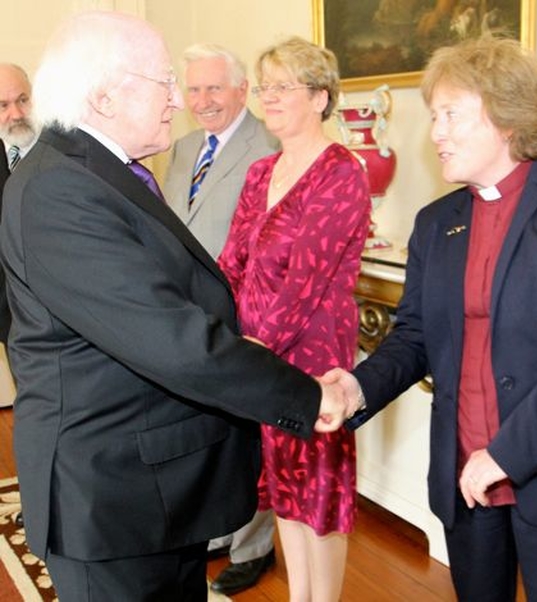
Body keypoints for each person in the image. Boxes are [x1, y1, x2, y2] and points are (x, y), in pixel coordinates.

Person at [0, 12, 349, 602]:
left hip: (153, 487)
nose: (176, 100)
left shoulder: (101, 171)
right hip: (112, 501)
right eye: (164, 81)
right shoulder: (58, 189)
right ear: (106, 96)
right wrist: (307, 394)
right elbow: (169, 337)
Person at [324, 36, 537, 602]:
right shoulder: (436, 222)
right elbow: (415, 336)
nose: (435, 133)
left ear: (508, 119)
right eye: (433, 116)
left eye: (451, 115)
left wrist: (503, 455)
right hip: (466, 483)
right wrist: (356, 387)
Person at [218, 36, 370, 602]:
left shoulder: (342, 172)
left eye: (284, 86)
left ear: (321, 98)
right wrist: (216, 330)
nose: (269, 97)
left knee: (319, 492)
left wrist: (245, 354)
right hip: (257, 354)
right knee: (283, 484)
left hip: (311, 357)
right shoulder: (261, 172)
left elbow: (305, 281)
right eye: (266, 86)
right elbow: (232, 262)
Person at [163, 43, 279, 595]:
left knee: (252, 431)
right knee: (208, 427)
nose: (202, 101)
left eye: (214, 88)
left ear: (242, 90)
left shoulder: (270, 146)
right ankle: (215, 526)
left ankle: (254, 547)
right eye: (194, 89)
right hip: (191, 313)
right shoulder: (183, 147)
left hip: (248, 312)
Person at [0, 63, 36, 360]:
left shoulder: (61, 150)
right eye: (3, 105)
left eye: (23, 100)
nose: (16, 114)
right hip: (9, 315)